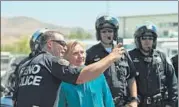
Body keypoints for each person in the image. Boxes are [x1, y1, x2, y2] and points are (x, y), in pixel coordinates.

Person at [13, 28, 125, 107]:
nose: (64, 47)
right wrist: (111, 57)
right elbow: (81, 76)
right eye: (62, 43)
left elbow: (15, 101)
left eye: (82, 52)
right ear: (50, 44)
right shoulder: (50, 61)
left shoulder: (23, 66)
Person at [85, 15, 138, 107]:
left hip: (122, 103)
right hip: (100, 103)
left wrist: (134, 100)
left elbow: (131, 78)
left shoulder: (123, 52)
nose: (107, 34)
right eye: (104, 31)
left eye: (110, 31)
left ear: (115, 33)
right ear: (99, 34)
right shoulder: (90, 54)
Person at [128, 22, 178, 107]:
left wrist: (171, 103)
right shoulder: (129, 57)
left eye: (150, 38)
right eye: (144, 38)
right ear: (138, 40)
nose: (147, 41)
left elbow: (172, 82)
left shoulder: (162, 57)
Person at [56, 40, 114, 107]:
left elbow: (108, 101)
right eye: (75, 53)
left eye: (82, 52)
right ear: (67, 57)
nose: (80, 56)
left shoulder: (97, 74)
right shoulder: (63, 80)